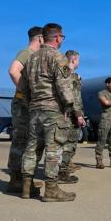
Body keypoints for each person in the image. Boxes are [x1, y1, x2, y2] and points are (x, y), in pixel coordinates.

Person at [20, 23, 85, 202]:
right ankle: (51, 190)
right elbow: (64, 88)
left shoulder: (31, 58)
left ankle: (26, 187)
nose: (62, 40)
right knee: (53, 149)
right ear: (57, 37)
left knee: (32, 148)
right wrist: (69, 108)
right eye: (62, 37)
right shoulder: (58, 57)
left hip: (35, 111)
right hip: (53, 111)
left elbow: (23, 88)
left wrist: (32, 104)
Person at [6, 26, 43, 195]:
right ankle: (16, 181)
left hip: (25, 104)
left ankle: (21, 180)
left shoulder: (33, 56)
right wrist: (27, 93)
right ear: (40, 38)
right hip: (22, 104)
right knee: (21, 141)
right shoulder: (27, 53)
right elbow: (13, 71)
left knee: (27, 140)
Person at [58, 50, 84, 183]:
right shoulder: (71, 76)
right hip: (71, 115)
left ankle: (62, 168)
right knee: (69, 145)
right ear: (73, 60)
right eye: (78, 60)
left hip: (63, 114)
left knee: (62, 144)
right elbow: (75, 98)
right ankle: (63, 172)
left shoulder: (61, 73)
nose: (78, 62)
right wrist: (79, 115)